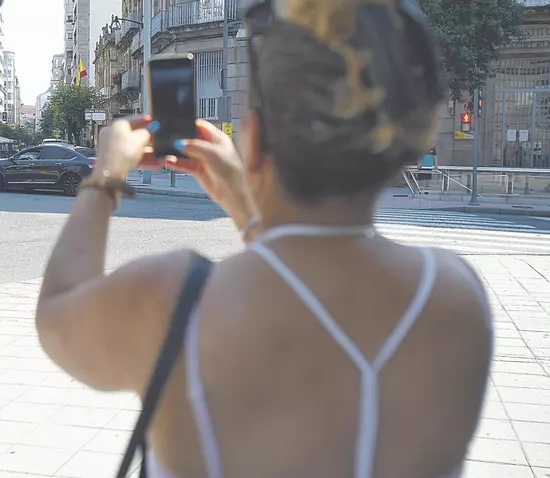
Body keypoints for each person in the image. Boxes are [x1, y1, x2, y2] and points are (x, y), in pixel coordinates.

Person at [35, 1, 492, 477]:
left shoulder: (174, 300)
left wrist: (105, 177)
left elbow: (56, 315)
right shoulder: (455, 296)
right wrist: (244, 203)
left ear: (252, 141)